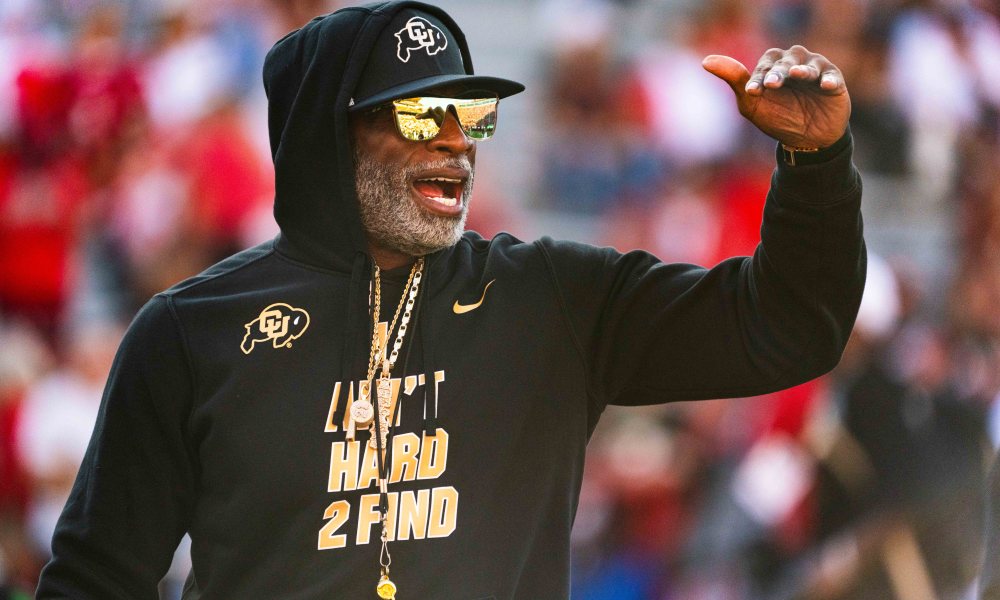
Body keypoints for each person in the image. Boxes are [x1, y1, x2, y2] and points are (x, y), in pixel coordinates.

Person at [36, 1, 864, 598]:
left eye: (471, 114)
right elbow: (95, 578)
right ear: (331, 136)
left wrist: (816, 167)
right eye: (419, 117)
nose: (457, 141)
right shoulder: (191, 333)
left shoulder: (552, 299)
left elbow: (787, 327)